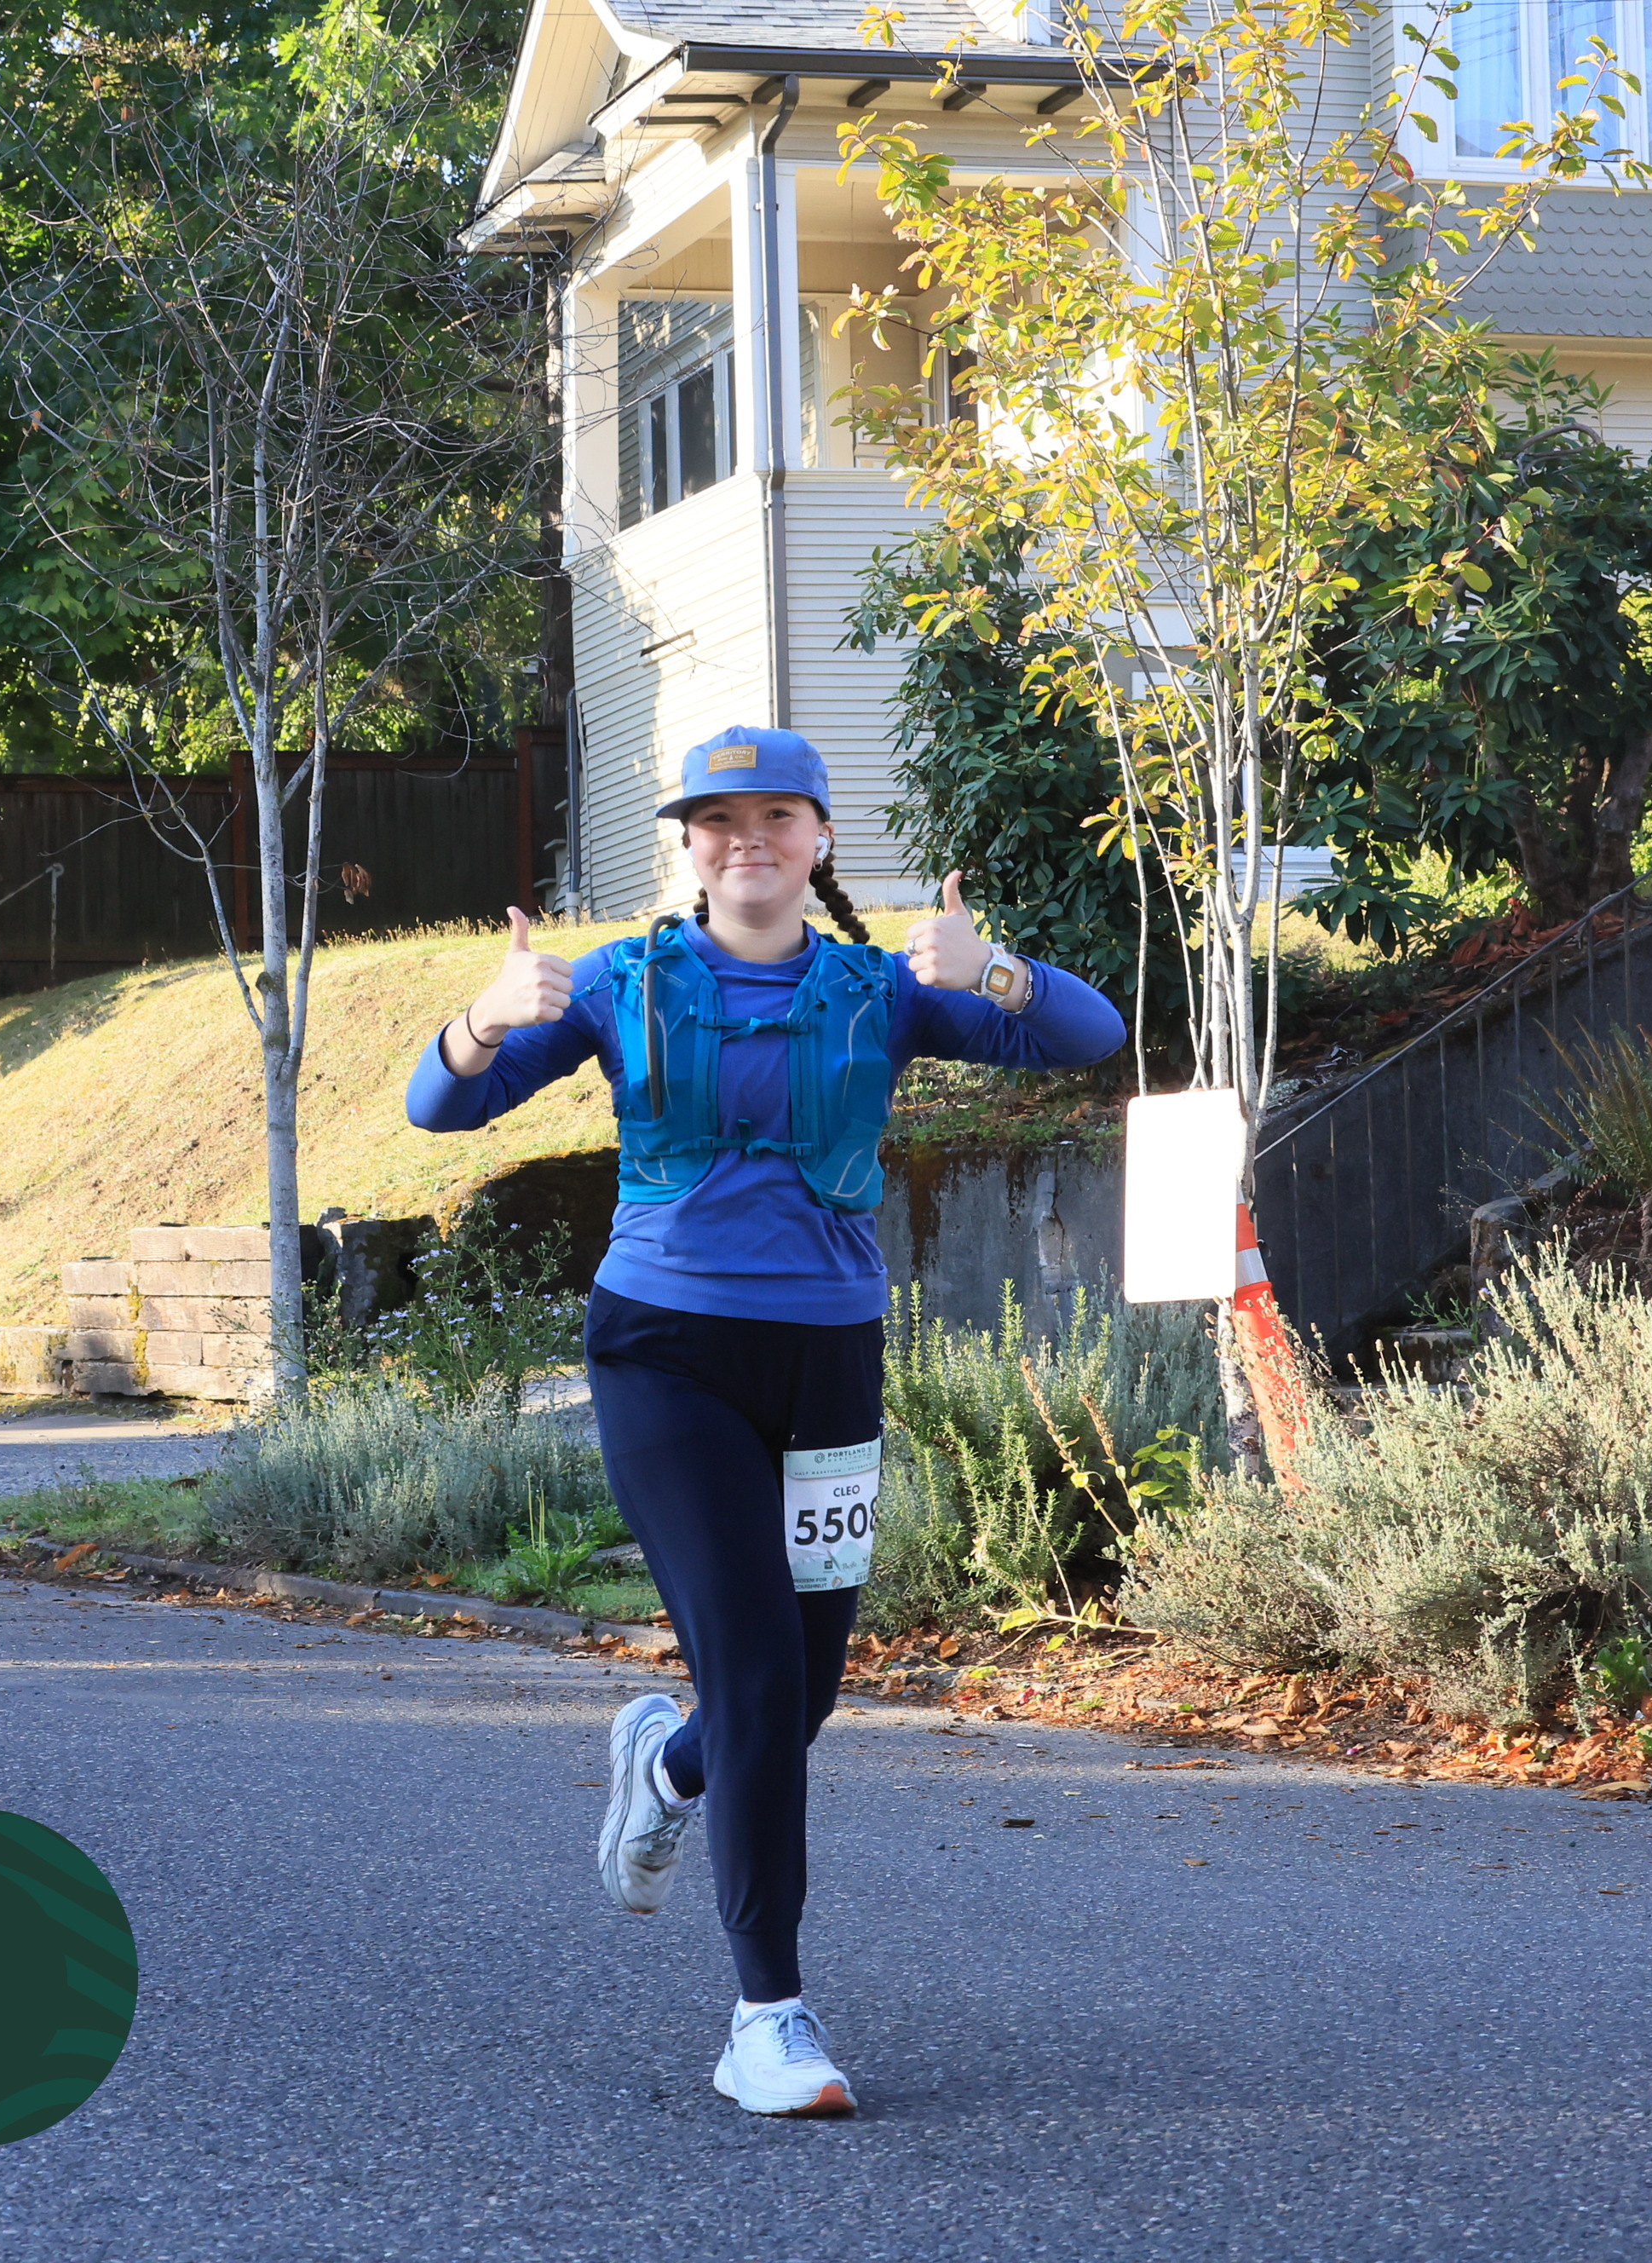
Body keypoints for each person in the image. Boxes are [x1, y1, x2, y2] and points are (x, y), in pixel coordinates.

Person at [406, 726, 1125, 2117]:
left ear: (819, 837)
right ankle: (767, 2019)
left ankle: (664, 1766)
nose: (747, 838)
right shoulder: (619, 982)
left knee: (801, 1694)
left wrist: (997, 970)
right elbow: (438, 1105)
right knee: (749, 1670)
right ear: (686, 843)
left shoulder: (878, 989)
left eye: (776, 815)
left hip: (828, 1362)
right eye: (718, 818)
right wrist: (484, 1018)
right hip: (663, 1356)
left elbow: (1084, 1038)